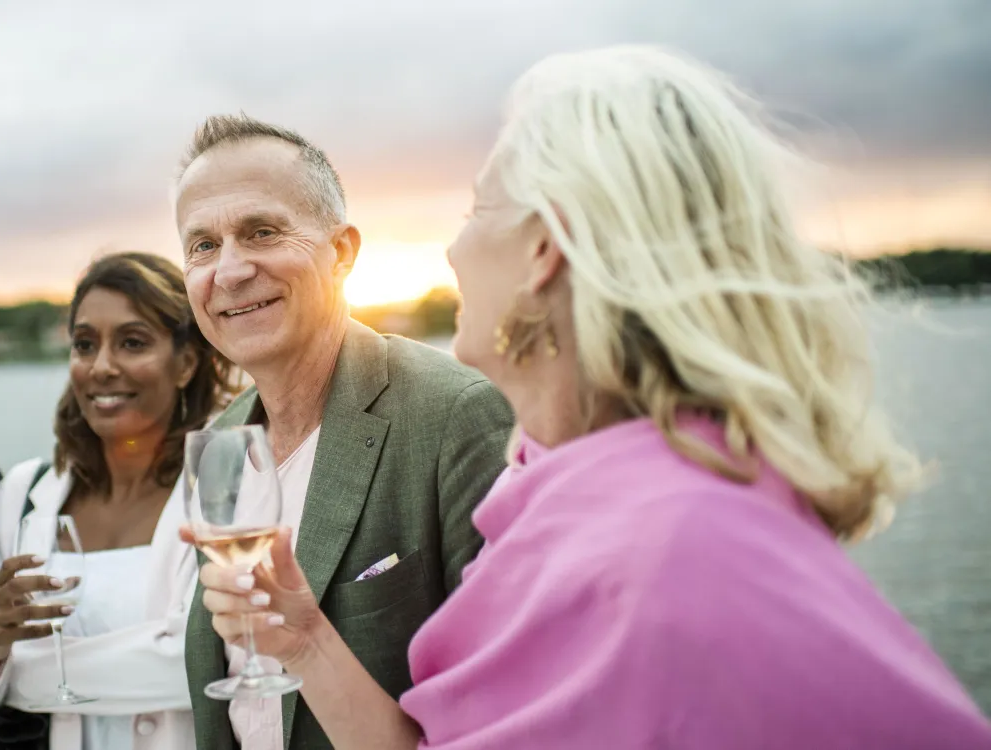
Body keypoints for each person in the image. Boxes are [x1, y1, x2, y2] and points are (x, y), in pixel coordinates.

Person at [192, 45, 991, 749]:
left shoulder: (668, 551)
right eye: (201, 244)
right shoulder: (581, 489)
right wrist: (300, 637)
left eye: (478, 209)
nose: (452, 244)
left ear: (545, 250)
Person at [174, 114, 512, 750]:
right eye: (202, 246)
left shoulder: (457, 416)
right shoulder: (219, 444)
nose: (230, 270)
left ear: (343, 252)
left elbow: (508, 709)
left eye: (262, 231)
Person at [0, 252, 238, 750]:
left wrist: (28, 672)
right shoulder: (20, 493)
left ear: (186, 362)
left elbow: (205, 666)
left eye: (132, 343)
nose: (101, 367)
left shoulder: (225, 481)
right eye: (84, 345)